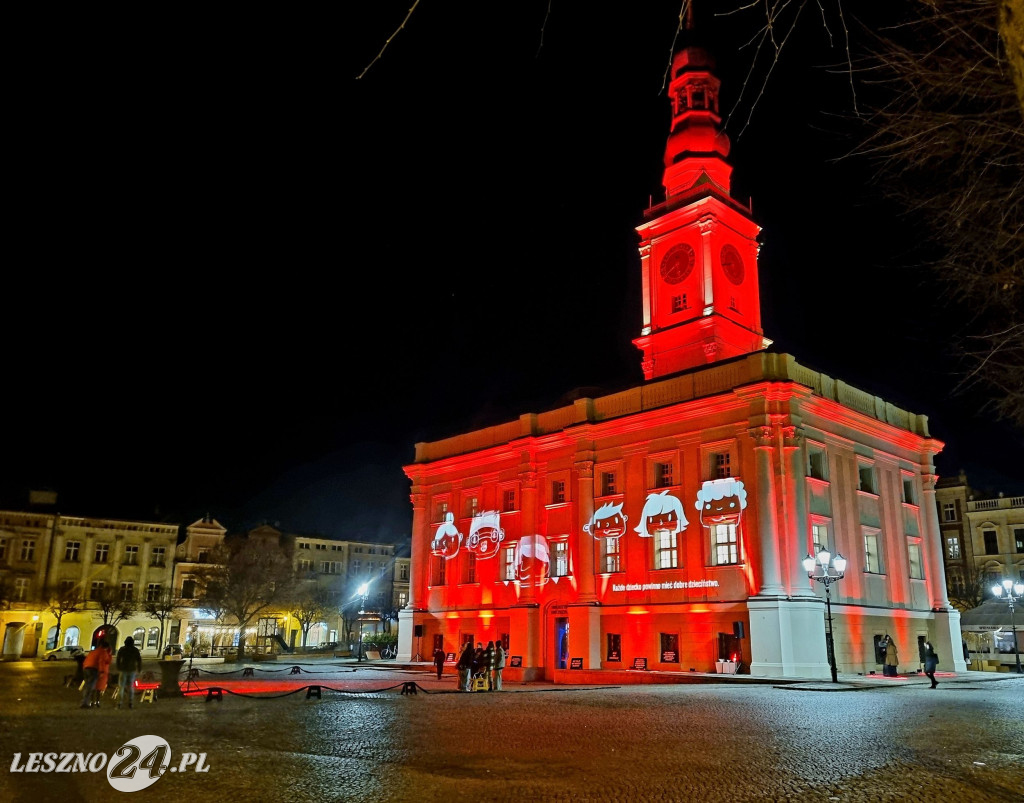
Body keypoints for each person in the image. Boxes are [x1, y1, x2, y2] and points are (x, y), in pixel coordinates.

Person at [80, 642, 111, 709]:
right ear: (106, 647)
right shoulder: (103, 652)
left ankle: (85, 701)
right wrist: (102, 671)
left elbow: (86, 660)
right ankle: (85, 703)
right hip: (93, 669)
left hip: (86, 668)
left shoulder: (93, 651)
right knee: (90, 687)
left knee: (87, 686)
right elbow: (102, 661)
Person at [116, 636, 143, 709]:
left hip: (123, 669)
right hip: (132, 670)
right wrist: (139, 669)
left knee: (121, 687)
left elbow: (118, 659)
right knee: (131, 687)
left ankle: (119, 703)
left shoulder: (122, 649)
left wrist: (118, 667)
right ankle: (130, 703)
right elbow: (139, 660)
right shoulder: (135, 650)